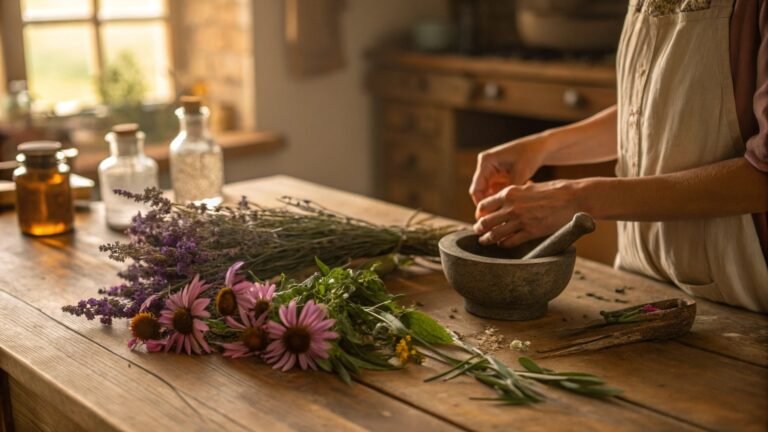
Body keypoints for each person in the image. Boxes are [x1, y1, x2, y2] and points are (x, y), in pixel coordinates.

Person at [469, 0, 768, 313]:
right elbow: (656, 113)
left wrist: (578, 199)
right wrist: (541, 147)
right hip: (643, 281)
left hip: (740, 301)